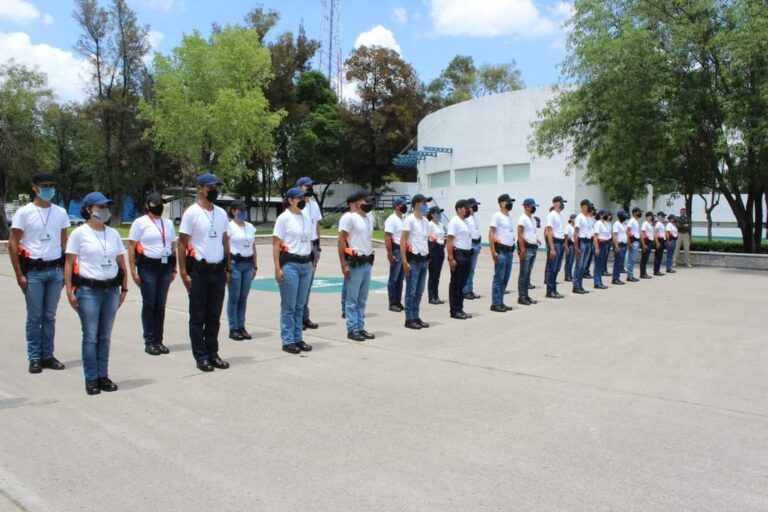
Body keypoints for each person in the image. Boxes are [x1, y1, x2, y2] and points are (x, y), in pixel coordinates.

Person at [64, 192, 127, 395]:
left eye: (106, 207)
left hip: (110, 290)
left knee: (105, 336)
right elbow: (69, 263)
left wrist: (124, 288)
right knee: (90, 337)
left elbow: (121, 262)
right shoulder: (79, 234)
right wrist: (69, 291)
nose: (104, 210)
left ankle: (103, 376)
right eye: (100, 207)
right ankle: (91, 378)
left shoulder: (113, 234)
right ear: (89, 209)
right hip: (89, 290)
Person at [8, 171, 70, 374]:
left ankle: (47, 355)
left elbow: (64, 243)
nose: (48, 190)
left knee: (49, 315)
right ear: (34, 187)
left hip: (55, 270)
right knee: (35, 316)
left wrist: (65, 272)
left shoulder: (60, 213)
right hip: (33, 271)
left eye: (51, 186)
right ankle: (34, 356)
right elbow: (12, 243)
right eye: (44, 186)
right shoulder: (24, 213)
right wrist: (19, 274)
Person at [177, 172, 231, 373]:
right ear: (200, 188)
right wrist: (184, 272)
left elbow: (225, 241)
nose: (214, 190)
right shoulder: (192, 213)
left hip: (218, 271)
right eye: (210, 187)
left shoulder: (222, 213)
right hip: (199, 271)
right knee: (198, 317)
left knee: (214, 316)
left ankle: (213, 353)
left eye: (216, 186)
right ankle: (201, 356)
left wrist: (228, 267)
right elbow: (182, 245)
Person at [128, 191, 177, 356]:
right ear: (148, 205)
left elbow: (173, 246)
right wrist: (133, 271)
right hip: (147, 267)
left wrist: (174, 268)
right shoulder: (140, 223)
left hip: (165, 268)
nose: (159, 206)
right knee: (150, 304)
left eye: (161, 203)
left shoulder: (168, 223)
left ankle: (159, 339)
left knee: (160, 305)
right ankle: (149, 341)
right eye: (155, 203)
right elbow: (131, 246)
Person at [273, 188, 314, 354]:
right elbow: (276, 244)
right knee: (289, 305)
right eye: (299, 198)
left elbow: (310, 240)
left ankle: (298, 337)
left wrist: (312, 259)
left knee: (300, 304)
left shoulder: (306, 216)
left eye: (303, 197)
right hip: (290, 264)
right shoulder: (283, 218)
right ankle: (288, 340)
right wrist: (277, 268)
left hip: (306, 264)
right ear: (290, 200)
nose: (302, 200)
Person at [338, 192, 376, 342]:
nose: (369, 204)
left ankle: (360, 327)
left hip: (367, 261)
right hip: (355, 262)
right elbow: (341, 241)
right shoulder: (349, 217)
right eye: (367, 201)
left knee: (362, 299)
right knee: (352, 299)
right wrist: (343, 264)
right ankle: (352, 328)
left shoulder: (368, 218)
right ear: (358, 202)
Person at [225, 200, 257, 341]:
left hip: (248, 264)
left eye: (245, 209)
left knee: (243, 297)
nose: (243, 212)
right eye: (240, 209)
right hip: (234, 264)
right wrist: (227, 267)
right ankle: (233, 327)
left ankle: (241, 325)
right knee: (234, 297)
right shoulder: (228, 226)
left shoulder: (250, 227)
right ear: (233, 211)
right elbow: (225, 247)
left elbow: (253, 246)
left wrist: (255, 265)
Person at [401, 194, 432, 329]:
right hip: (413, 260)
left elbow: (426, 240)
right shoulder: (409, 220)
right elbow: (403, 241)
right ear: (416, 205)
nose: (425, 205)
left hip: (424, 260)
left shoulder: (425, 221)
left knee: (419, 291)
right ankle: (409, 318)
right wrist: (404, 261)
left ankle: (416, 316)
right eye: (423, 202)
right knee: (411, 291)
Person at [296, 177, 322, 330]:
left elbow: (317, 226)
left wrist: (318, 247)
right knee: (298, 286)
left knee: (308, 284)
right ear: (300, 187)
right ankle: (297, 318)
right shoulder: (297, 205)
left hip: (312, 246)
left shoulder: (314, 205)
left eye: (312, 186)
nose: (310, 188)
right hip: (300, 247)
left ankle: (305, 317)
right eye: (308, 186)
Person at [446, 199, 473, 319]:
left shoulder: (466, 222)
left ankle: (460, 308)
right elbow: (450, 240)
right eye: (466, 208)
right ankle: (454, 310)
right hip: (459, 255)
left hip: (467, 255)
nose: (468, 210)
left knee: (462, 284)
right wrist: (451, 258)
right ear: (459, 209)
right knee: (456, 284)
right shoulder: (454, 221)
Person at [489, 194, 516, 312]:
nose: (510, 203)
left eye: (511, 201)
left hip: (509, 252)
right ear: (501, 203)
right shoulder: (496, 216)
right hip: (501, 251)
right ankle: (495, 303)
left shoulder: (509, 217)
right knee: (498, 278)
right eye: (507, 201)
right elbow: (491, 234)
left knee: (505, 278)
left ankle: (500, 301)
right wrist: (493, 251)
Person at [384, 196, 407, 312]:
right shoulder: (391, 219)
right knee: (393, 278)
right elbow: (388, 237)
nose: (405, 206)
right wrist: (390, 253)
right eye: (403, 204)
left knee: (400, 278)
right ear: (397, 206)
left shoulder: (402, 219)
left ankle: (398, 301)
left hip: (403, 250)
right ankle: (392, 303)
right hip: (396, 250)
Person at [517, 198, 539, 305]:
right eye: (531, 206)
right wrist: (522, 249)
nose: (533, 208)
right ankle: (521, 297)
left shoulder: (533, 219)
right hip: (526, 248)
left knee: (528, 274)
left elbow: (531, 233)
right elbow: (520, 234)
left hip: (533, 248)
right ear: (526, 206)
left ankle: (526, 295)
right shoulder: (523, 218)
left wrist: (536, 240)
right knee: (523, 274)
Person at [338, 196, 358, 319]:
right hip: (348, 252)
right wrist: (345, 254)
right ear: (351, 204)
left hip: (357, 253)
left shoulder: (360, 217)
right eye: (357, 203)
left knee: (352, 282)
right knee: (348, 281)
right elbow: (342, 238)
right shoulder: (347, 217)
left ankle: (350, 307)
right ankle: (345, 308)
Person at [544, 195, 567, 299]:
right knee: (551, 268)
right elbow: (549, 231)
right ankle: (550, 291)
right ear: (555, 203)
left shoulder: (561, 215)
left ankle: (554, 289)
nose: (562, 204)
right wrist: (552, 248)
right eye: (560, 202)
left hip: (561, 243)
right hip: (555, 243)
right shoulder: (552, 215)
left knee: (557, 268)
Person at [463, 198, 482, 300]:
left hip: (476, 244)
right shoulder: (467, 218)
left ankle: (470, 289)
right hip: (470, 245)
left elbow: (477, 231)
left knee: (472, 270)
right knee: (468, 269)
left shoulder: (475, 217)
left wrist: (479, 245)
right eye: (473, 205)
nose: (475, 207)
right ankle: (466, 290)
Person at [571, 199, 592, 294]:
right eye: (588, 205)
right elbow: (576, 233)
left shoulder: (588, 217)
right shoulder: (579, 217)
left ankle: (580, 285)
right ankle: (576, 286)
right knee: (579, 265)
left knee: (583, 266)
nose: (589, 207)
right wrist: (576, 247)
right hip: (581, 242)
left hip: (588, 242)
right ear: (583, 206)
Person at [427, 206, 446, 305]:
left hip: (441, 249)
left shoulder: (441, 224)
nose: (439, 215)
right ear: (432, 214)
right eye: (437, 213)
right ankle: (431, 296)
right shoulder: (429, 224)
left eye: (440, 213)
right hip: (433, 250)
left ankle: (436, 295)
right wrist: (429, 254)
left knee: (437, 275)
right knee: (432, 274)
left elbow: (442, 236)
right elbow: (428, 238)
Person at [592, 209, 612, 289]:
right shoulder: (598, 223)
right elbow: (595, 236)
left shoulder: (606, 224)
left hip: (605, 244)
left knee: (601, 264)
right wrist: (596, 248)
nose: (607, 216)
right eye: (604, 214)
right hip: (600, 244)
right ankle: (597, 282)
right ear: (600, 215)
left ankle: (600, 281)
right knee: (598, 264)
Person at [611, 210, 628, 285]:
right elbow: (614, 235)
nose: (624, 217)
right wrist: (616, 246)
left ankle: (618, 277)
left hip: (624, 245)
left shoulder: (623, 225)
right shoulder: (616, 224)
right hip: (619, 245)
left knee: (621, 262)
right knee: (617, 262)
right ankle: (615, 279)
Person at [625, 208, 642, 282]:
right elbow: (627, 231)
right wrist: (629, 242)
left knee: (633, 260)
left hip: (636, 241)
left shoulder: (636, 221)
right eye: (639, 212)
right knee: (631, 260)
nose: (639, 213)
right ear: (635, 213)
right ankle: (629, 276)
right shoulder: (631, 221)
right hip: (633, 241)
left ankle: (631, 275)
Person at [640, 211, 655, 279]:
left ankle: (644, 273)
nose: (652, 217)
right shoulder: (645, 224)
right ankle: (643, 274)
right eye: (651, 216)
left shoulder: (650, 224)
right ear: (648, 216)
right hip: (647, 242)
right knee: (644, 258)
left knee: (646, 259)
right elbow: (642, 234)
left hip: (650, 242)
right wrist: (643, 244)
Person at [583, 205, 596, 279]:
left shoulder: (592, 219)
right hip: (587, 240)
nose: (593, 212)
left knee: (590, 257)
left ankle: (587, 271)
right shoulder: (587, 219)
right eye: (592, 210)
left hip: (591, 239)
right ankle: (585, 272)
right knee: (586, 258)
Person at [653, 211, 667, 276]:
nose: (664, 218)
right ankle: (656, 271)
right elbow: (655, 233)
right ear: (659, 217)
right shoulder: (658, 224)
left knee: (660, 256)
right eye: (663, 216)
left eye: (664, 216)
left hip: (662, 240)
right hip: (659, 240)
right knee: (658, 256)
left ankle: (657, 270)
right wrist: (657, 242)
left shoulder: (661, 224)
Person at [564, 214, 576, 282]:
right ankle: (567, 275)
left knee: (571, 261)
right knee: (569, 261)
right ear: (571, 219)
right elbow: (566, 237)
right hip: (570, 245)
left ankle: (570, 275)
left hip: (574, 245)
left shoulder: (574, 227)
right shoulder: (568, 227)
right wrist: (566, 247)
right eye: (574, 218)